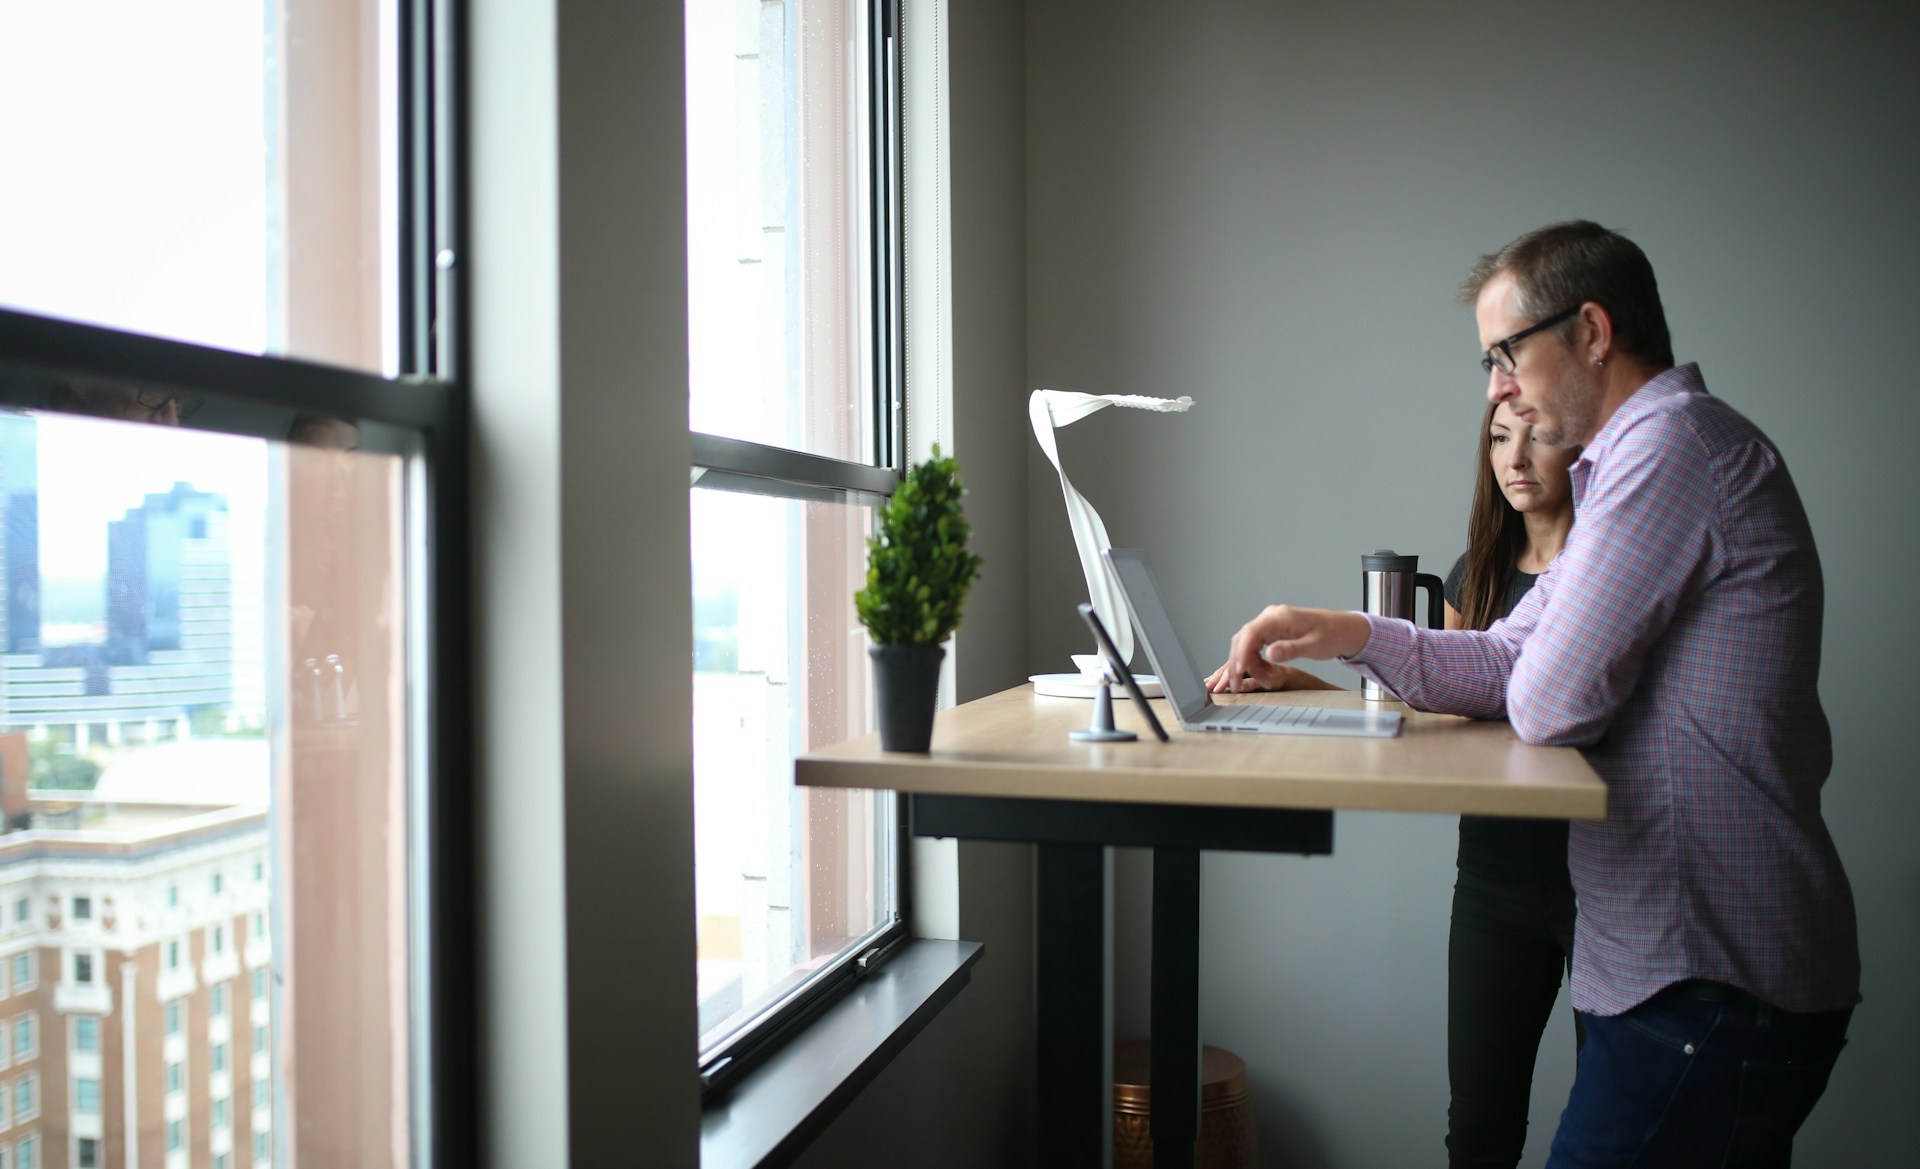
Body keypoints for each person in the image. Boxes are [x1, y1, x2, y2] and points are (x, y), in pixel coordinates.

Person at [1220, 220, 1859, 1167]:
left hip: (1710, 975)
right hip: (1689, 971)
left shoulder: (1669, 448)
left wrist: (1482, 660)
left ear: (1592, 332)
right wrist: (1344, 631)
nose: (1495, 389)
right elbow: (1507, 654)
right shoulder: (1627, 469)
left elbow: (1550, 697)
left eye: (1506, 353)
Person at [1207, 399, 1582, 1168]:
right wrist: (1297, 681)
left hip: (1600, 877)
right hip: (1494, 876)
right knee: (1479, 1125)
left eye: (1536, 437)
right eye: (1498, 439)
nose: (1514, 459)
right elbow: (1429, 707)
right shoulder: (1475, 576)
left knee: (1602, 1124)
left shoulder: (1607, 575)